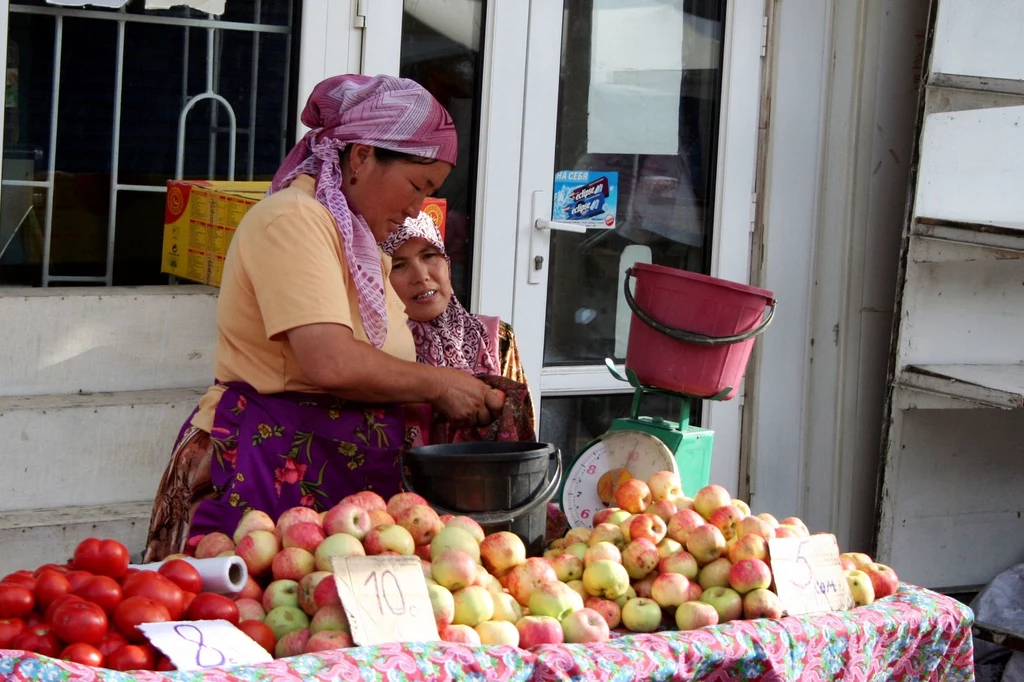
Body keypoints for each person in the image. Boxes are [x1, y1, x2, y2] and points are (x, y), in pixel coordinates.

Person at [143, 74, 504, 562]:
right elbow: (329, 361)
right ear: (361, 158)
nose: (419, 206)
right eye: (417, 185)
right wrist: (441, 385)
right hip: (268, 470)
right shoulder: (294, 220)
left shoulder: (356, 238)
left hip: (338, 474)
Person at [380, 212, 534, 447]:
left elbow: (523, 432)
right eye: (399, 265)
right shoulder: (373, 344)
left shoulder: (497, 337)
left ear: (447, 262)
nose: (421, 276)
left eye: (429, 255)